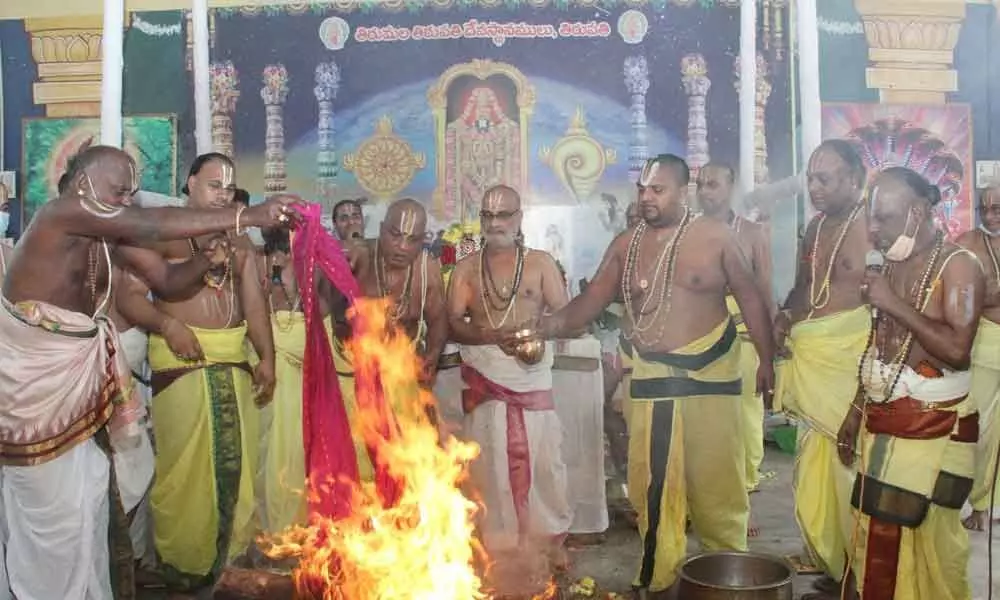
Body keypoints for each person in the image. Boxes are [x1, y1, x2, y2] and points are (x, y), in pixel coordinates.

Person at [0, 145, 297, 600]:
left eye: (132, 193)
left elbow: (167, 282)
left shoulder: (108, 240)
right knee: (52, 514)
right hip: (35, 398)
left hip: (76, 392)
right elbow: (148, 224)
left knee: (90, 504)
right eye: (120, 191)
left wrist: (204, 262)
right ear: (83, 185)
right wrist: (246, 216)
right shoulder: (58, 216)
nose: (128, 201)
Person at [534, 154, 776, 598]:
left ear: (683, 192)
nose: (646, 197)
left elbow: (753, 299)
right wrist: (543, 327)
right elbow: (590, 302)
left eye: (657, 190)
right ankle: (660, 574)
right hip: (650, 379)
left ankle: (730, 574)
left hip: (712, 377)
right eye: (642, 189)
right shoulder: (627, 245)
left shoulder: (715, 237)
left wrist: (767, 360)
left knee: (717, 485)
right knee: (651, 486)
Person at [115, 153, 279, 593]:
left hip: (232, 360)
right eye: (213, 185)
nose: (223, 194)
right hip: (182, 364)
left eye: (229, 187)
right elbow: (130, 298)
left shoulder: (240, 243)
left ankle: (230, 565)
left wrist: (267, 357)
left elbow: (255, 307)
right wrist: (169, 325)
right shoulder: (162, 234)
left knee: (237, 466)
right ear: (188, 184)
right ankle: (183, 569)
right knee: (181, 475)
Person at [838, 167, 982, 600]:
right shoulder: (892, 267)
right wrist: (856, 410)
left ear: (918, 213)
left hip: (934, 427)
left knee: (930, 546)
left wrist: (892, 303)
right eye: (871, 218)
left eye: (885, 217)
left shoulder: (959, 268)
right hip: (883, 421)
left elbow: (957, 351)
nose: (873, 229)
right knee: (875, 533)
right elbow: (881, 347)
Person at [446, 184, 573, 591]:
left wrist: (533, 335)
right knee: (489, 467)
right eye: (488, 216)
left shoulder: (539, 263)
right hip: (487, 380)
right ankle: (497, 552)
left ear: (519, 219)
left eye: (504, 216)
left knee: (545, 464)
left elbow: (566, 315)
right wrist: (486, 335)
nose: (495, 223)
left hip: (531, 377)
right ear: (480, 220)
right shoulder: (465, 269)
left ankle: (547, 547)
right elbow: (453, 324)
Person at [773, 140, 872, 597]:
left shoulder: (874, 225)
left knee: (853, 466)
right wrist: (784, 316)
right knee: (820, 466)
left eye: (824, 179)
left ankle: (863, 573)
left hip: (850, 363)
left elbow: (886, 309)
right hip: (814, 357)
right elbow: (802, 288)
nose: (813, 187)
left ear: (855, 180)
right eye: (810, 178)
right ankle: (838, 566)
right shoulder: (813, 228)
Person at [340, 198, 448, 441]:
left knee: (406, 453)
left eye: (412, 240)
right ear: (380, 230)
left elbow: (439, 320)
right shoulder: (360, 257)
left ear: (423, 240)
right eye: (395, 235)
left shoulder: (426, 271)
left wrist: (432, 355)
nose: (402, 247)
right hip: (355, 374)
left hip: (403, 376)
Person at [697, 162, 774, 499]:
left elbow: (766, 292)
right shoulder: (688, 234)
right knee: (705, 415)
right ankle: (708, 483)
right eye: (700, 184)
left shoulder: (753, 233)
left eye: (712, 184)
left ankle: (745, 482)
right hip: (699, 339)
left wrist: (768, 353)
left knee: (746, 413)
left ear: (730, 187)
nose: (704, 191)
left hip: (744, 338)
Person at [955, 182, 1000, 532]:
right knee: (983, 431)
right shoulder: (968, 245)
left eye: (997, 208)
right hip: (985, 344)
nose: (990, 215)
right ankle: (981, 504)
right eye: (984, 208)